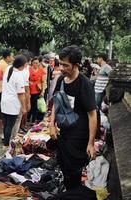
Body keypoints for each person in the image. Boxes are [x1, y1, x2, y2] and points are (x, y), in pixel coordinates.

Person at [50, 45, 97, 189]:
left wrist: (90, 142)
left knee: (73, 170)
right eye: (61, 64)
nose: (62, 68)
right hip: (64, 130)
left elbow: (92, 114)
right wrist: (51, 125)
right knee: (64, 166)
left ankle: (73, 192)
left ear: (76, 65)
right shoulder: (60, 80)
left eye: (66, 65)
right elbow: (56, 104)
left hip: (79, 134)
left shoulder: (84, 84)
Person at [1, 55, 27, 149]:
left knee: (6, 124)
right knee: (10, 125)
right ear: (23, 65)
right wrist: (24, 108)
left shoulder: (9, 68)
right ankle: (6, 145)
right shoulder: (19, 76)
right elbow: (21, 94)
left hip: (4, 101)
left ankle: (5, 143)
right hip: (12, 103)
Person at [27, 57, 46, 124]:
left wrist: (42, 91)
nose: (35, 64)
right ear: (32, 63)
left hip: (37, 90)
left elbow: (43, 81)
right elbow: (25, 79)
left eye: (37, 63)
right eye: (34, 63)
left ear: (39, 63)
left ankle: (33, 120)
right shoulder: (28, 70)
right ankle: (27, 119)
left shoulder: (41, 70)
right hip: (29, 90)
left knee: (35, 106)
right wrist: (29, 82)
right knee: (29, 105)